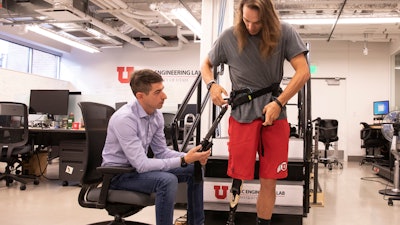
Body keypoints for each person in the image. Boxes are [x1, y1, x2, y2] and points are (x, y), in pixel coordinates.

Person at [201, 0, 310, 225]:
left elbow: (303, 72)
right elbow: (206, 65)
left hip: (274, 112)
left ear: (268, 17)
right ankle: (232, 218)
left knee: (269, 180)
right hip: (242, 113)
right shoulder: (229, 37)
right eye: (246, 21)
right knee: (238, 174)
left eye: (257, 23)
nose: (250, 28)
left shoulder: (285, 32)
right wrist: (211, 84)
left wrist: (280, 102)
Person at [102, 69, 211, 225]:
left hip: (137, 171)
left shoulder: (156, 115)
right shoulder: (124, 119)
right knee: (167, 180)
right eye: (157, 92)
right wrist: (183, 160)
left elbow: (161, 152)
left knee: (194, 169)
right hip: (118, 175)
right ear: (140, 96)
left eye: (163, 90)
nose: (164, 96)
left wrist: (190, 158)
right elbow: (142, 164)